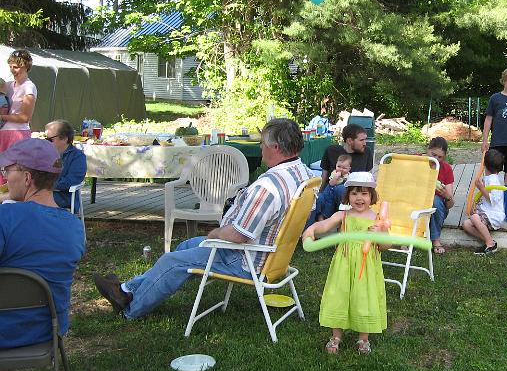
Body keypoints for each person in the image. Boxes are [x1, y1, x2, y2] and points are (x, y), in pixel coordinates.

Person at [93, 118, 312, 318]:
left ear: (275, 148)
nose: (261, 149)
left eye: (263, 144)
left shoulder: (269, 187)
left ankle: (131, 309)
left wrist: (216, 233)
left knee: (172, 261)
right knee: (188, 245)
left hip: (246, 260)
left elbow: (238, 235)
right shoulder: (301, 174)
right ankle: (125, 290)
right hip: (272, 256)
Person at [0, 139, 85, 349]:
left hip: (5, 331)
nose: (5, 178)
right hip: (47, 332)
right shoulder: (75, 226)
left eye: (8, 171)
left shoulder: (5, 218)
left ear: (27, 178)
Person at [303, 172, 388, 355]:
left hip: (366, 269)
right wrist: (311, 230)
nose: (359, 198)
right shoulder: (342, 215)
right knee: (339, 296)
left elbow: (385, 245)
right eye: (355, 193)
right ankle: (336, 336)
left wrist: (381, 232)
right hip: (344, 265)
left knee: (363, 298)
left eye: (364, 193)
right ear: (347, 195)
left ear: (372, 196)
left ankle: (363, 338)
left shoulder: (377, 219)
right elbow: (324, 225)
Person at [315, 123, 373, 220]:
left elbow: (369, 179)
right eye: (362, 140)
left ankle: (341, 223)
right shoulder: (331, 150)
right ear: (350, 141)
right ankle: (312, 229)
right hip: (329, 189)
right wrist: (318, 193)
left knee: (341, 189)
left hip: (352, 195)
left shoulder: (366, 152)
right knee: (317, 199)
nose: (365, 143)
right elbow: (324, 176)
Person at [0, 50, 37, 185]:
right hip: (3, 133)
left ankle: (14, 204)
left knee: (15, 173)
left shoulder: (29, 87)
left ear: (26, 66)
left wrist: (2, 117)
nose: (12, 70)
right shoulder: (7, 85)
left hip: (18, 134)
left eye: (16, 67)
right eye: (10, 66)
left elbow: (24, 117)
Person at [462, 149, 505, 254]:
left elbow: (492, 200)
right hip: (487, 214)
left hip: (494, 216)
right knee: (466, 224)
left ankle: (490, 244)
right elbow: (484, 199)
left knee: (474, 217)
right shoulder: (488, 178)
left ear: (484, 164)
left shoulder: (494, 181)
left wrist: (481, 188)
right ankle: (490, 240)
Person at [44, 120, 87, 212]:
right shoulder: (46, 154)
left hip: (64, 197)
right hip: (44, 193)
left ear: (64, 139)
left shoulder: (77, 156)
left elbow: (71, 181)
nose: (47, 143)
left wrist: (45, 185)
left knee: (26, 202)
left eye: (50, 140)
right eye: (45, 139)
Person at [426, 137, 454, 254]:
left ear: (445, 156)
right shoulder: (418, 161)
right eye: (433, 155)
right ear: (428, 150)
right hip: (418, 204)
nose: (436, 159)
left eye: (440, 157)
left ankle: (435, 239)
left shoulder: (446, 169)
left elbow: (450, 204)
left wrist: (446, 196)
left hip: (438, 209)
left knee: (436, 200)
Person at [312, 154, 352, 222]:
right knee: (323, 201)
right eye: (339, 166)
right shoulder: (334, 173)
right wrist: (336, 177)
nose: (341, 169)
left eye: (344, 168)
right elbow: (331, 183)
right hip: (329, 191)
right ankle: (320, 216)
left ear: (349, 169)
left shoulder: (349, 176)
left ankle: (330, 217)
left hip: (339, 195)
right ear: (336, 165)